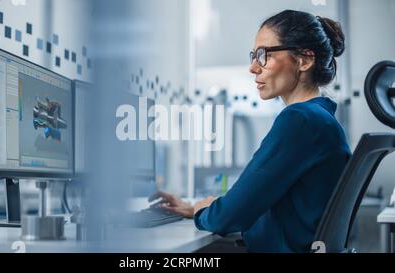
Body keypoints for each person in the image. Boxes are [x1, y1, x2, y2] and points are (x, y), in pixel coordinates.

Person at [150, 10, 352, 253]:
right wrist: (201, 208)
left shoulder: (301, 121)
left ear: (304, 61)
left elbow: (227, 218)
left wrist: (206, 211)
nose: (253, 67)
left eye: (263, 55)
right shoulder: (319, 119)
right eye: (253, 56)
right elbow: (250, 205)